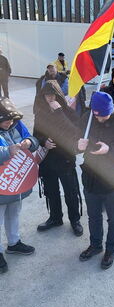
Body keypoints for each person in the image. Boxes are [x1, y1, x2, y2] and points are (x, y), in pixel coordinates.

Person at [77, 92, 114, 269]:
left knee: (113, 217)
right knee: (93, 215)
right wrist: (77, 145)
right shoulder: (87, 118)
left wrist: (109, 150)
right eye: (97, 115)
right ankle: (95, 245)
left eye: (104, 114)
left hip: (112, 178)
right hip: (91, 176)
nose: (100, 118)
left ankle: (111, 250)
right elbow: (75, 139)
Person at [0, 97, 47, 273]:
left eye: (12, 119)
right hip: (2, 185)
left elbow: (31, 139)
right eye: (5, 120)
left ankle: (13, 242)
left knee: (14, 214)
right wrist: (6, 152)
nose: (9, 123)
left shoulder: (16, 124)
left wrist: (29, 142)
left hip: (16, 184)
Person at [32, 82, 85, 236]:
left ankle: (75, 220)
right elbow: (35, 134)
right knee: (51, 191)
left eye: (53, 95)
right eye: (47, 95)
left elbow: (76, 132)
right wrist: (43, 142)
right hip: (48, 160)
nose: (51, 98)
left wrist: (59, 113)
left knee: (71, 191)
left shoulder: (67, 111)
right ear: (43, 96)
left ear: (59, 96)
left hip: (65, 158)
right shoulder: (41, 113)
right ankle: (55, 218)